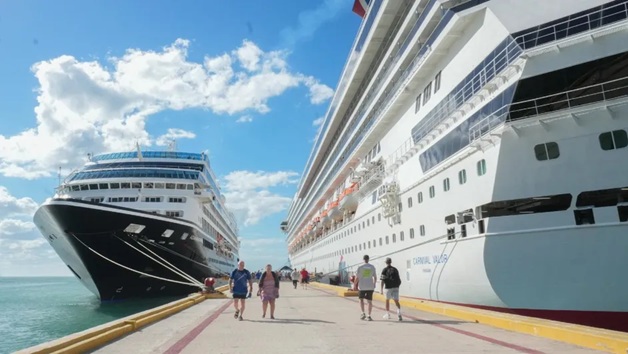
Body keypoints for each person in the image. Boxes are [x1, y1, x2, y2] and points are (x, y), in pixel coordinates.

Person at [354, 255, 377, 321]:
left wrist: (354, 285)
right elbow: (375, 277)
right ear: (368, 259)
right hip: (370, 286)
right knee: (369, 301)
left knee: (361, 299)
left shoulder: (360, 267)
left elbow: (357, 278)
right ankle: (369, 316)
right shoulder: (372, 267)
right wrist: (374, 284)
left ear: (363, 259)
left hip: (362, 287)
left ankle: (363, 313)